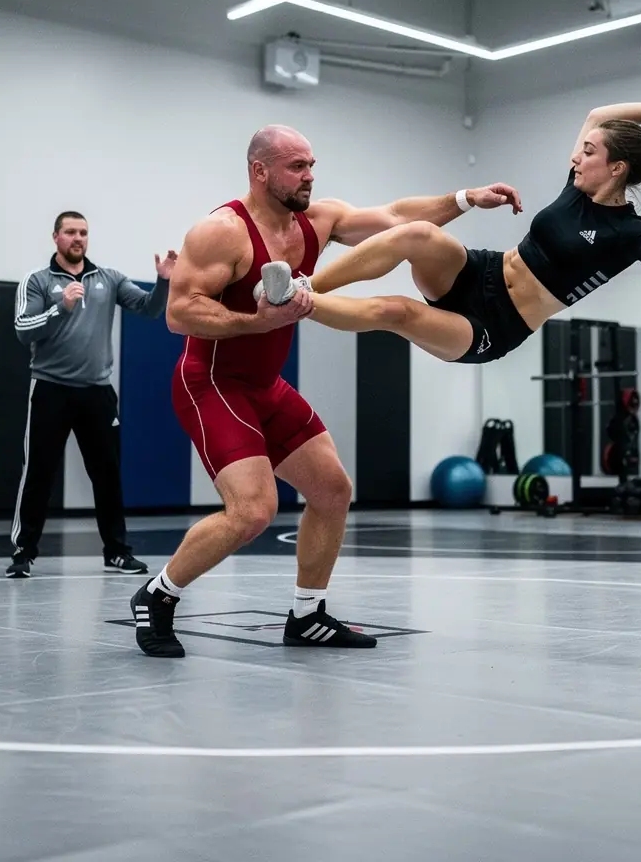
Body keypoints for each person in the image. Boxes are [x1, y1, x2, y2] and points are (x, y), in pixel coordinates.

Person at [130, 124, 521, 657]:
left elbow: (399, 222)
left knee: (333, 491)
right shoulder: (222, 232)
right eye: (297, 167)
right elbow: (179, 313)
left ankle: (307, 615)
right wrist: (257, 321)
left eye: (312, 164)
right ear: (259, 171)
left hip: (265, 387)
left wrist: (465, 199)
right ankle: (158, 595)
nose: (310, 176)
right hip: (212, 384)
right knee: (252, 511)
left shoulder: (319, 220)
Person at [260, 95, 641, 358]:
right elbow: (599, 112)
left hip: (496, 326)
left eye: (589, 152)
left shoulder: (632, 235)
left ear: (616, 168)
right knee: (415, 235)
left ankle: (287, 306)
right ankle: (302, 284)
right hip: (477, 273)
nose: (577, 156)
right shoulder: (574, 187)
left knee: (395, 311)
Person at [8, 211, 177, 578]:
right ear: (55, 237)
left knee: (107, 473)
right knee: (38, 471)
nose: (78, 238)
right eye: (70, 232)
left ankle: (117, 552)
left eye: (83, 232)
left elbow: (148, 309)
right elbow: (23, 330)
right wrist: (60, 308)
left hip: (97, 392)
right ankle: (23, 553)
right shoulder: (37, 281)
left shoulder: (110, 278)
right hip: (50, 388)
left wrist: (163, 282)